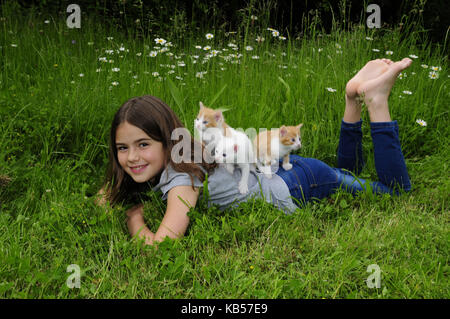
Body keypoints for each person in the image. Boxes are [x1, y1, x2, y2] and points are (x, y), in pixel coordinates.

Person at [96, 58, 413, 246]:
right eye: (122, 148)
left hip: (300, 184)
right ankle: (351, 99)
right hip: (285, 169)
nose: (132, 157)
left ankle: (376, 101)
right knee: (349, 176)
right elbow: (106, 192)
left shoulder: (181, 176)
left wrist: (134, 219)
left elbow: (162, 244)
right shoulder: (183, 152)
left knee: (393, 193)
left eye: (143, 145)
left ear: (167, 141)